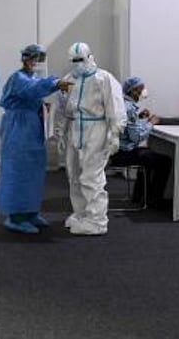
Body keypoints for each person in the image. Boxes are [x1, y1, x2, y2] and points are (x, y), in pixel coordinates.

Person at [0, 44, 74, 234]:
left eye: (40, 59)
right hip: (18, 128)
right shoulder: (18, 78)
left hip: (32, 128)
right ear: (25, 58)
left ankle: (31, 212)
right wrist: (55, 83)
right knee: (19, 171)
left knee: (34, 171)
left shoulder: (32, 78)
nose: (37, 62)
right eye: (34, 58)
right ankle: (16, 217)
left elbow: (37, 88)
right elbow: (32, 89)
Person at [55, 42, 126, 235]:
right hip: (74, 129)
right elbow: (62, 108)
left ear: (90, 57)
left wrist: (115, 133)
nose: (78, 64)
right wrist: (60, 133)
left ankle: (97, 220)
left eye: (81, 59)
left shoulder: (104, 79)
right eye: (74, 60)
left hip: (96, 129)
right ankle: (81, 213)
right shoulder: (68, 80)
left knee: (91, 176)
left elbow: (115, 107)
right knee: (74, 175)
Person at [109, 77, 172, 207]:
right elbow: (136, 137)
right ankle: (155, 199)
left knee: (148, 155)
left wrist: (140, 118)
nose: (144, 91)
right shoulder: (129, 109)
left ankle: (140, 196)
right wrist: (150, 123)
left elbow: (130, 128)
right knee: (164, 161)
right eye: (141, 89)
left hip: (117, 151)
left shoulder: (123, 105)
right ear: (134, 91)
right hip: (123, 154)